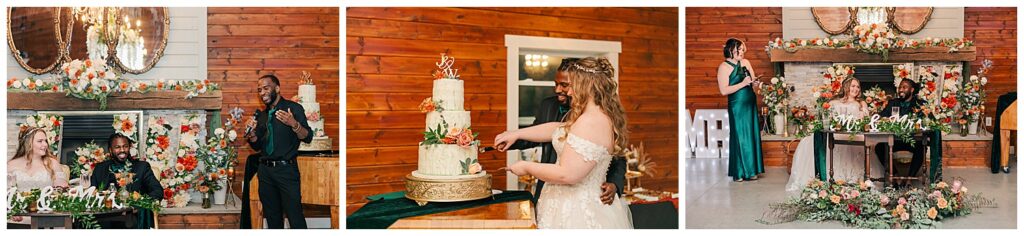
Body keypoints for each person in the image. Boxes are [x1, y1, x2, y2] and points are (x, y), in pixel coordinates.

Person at [495, 57, 632, 229]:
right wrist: (516, 134)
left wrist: (526, 167)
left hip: (577, 212)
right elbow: (557, 129)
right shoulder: (587, 115)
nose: (568, 92)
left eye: (572, 85)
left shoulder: (591, 121)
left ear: (586, 85)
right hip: (560, 204)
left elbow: (567, 174)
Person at [786, 77, 885, 192]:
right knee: (807, 141)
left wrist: (863, 111)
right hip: (836, 131)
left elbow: (865, 120)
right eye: (853, 86)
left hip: (852, 132)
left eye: (858, 86)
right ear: (846, 87)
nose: (856, 89)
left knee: (858, 144)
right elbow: (827, 118)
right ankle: (827, 177)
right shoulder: (834, 101)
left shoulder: (861, 102)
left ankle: (854, 180)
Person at [245, 74, 312, 229]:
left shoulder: (293, 109)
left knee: (295, 217)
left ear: (277, 88)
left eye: (266, 88)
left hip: (286, 171)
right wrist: (252, 134)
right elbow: (257, 146)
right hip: (265, 172)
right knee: (273, 218)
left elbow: (307, 137)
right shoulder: (261, 116)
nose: (262, 92)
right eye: (259, 90)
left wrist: (293, 123)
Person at [717, 38, 764, 182]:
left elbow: (753, 83)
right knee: (739, 135)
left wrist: (756, 83)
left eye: (743, 49)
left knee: (751, 134)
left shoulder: (746, 63)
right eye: (740, 49)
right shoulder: (724, 67)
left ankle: (752, 170)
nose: (742, 52)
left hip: (750, 102)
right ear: (731, 49)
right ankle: (739, 171)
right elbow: (724, 90)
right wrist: (742, 83)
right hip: (737, 105)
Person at [7, 127, 69, 225]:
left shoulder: (53, 163)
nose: (45, 144)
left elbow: (62, 189)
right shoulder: (10, 165)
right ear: (28, 143)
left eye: (45, 141)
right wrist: (12, 210)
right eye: (40, 141)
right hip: (18, 215)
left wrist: (61, 188)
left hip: (46, 214)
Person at [875, 79, 927, 186]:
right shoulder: (893, 102)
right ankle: (895, 175)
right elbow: (882, 116)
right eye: (900, 87)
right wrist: (885, 120)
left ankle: (908, 179)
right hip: (894, 140)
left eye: (904, 87)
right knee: (879, 147)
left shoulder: (920, 104)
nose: (901, 90)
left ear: (912, 90)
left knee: (922, 148)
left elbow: (924, 121)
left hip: (913, 139)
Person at [91, 133, 163, 199]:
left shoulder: (142, 167)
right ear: (110, 150)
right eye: (117, 147)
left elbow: (158, 192)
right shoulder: (99, 168)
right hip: (108, 211)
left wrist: (139, 201)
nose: (122, 150)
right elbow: (91, 193)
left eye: (125, 146)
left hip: (133, 211)